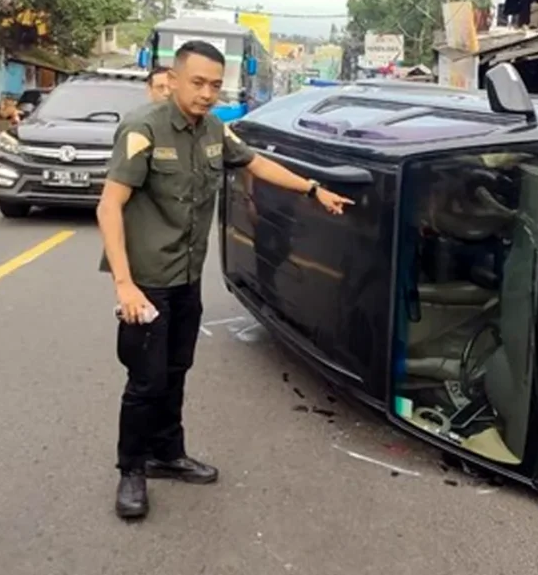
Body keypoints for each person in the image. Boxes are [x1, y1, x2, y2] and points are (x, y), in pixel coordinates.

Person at [96, 40, 354, 520]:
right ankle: (132, 468)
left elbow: (255, 163)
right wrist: (124, 285)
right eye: (197, 82)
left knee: (176, 371)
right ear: (172, 80)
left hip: (186, 278)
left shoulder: (214, 130)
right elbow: (109, 205)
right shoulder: (143, 129)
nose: (207, 93)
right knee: (145, 380)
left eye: (215, 84)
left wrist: (314, 189)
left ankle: (167, 453)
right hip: (148, 280)